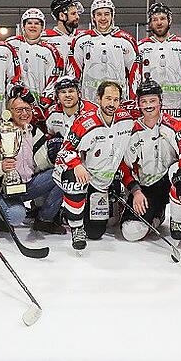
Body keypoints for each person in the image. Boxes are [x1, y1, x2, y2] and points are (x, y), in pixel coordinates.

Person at [118, 80, 181, 244]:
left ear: (160, 101)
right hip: (147, 187)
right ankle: (157, 214)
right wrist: (135, 191)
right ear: (138, 104)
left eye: (153, 100)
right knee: (131, 232)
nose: (149, 105)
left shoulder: (174, 124)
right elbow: (124, 166)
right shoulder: (130, 131)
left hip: (171, 182)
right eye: (144, 101)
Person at [54, 81, 135, 250]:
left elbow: (149, 110)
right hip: (84, 177)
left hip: (104, 182)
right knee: (73, 178)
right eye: (107, 99)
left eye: (116, 99)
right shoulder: (85, 122)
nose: (111, 104)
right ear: (98, 99)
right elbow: (64, 151)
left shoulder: (127, 119)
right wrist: (76, 164)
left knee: (96, 232)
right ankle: (76, 228)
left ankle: (72, 212)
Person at [0, 85, 64, 234]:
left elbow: (39, 164)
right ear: (9, 112)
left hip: (28, 186)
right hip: (5, 190)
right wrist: (1, 166)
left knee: (62, 173)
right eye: (19, 109)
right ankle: (3, 213)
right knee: (16, 216)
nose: (24, 114)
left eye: (27, 109)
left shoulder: (34, 132)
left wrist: (54, 155)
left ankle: (44, 220)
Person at [129, 3, 181, 117]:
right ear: (150, 23)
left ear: (169, 20)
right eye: (155, 19)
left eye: (162, 18)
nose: (159, 22)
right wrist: (134, 105)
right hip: (149, 111)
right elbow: (134, 79)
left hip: (178, 110)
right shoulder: (140, 48)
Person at [70, 0, 138, 101]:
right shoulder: (81, 40)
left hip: (116, 102)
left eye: (107, 14)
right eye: (99, 14)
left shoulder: (126, 40)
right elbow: (73, 74)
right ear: (93, 17)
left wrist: (133, 102)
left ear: (112, 16)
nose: (103, 18)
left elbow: (134, 75)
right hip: (89, 102)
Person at [6, 8, 65, 104]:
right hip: (14, 102)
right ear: (23, 26)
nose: (33, 26)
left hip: (40, 105)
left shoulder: (51, 50)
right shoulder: (11, 44)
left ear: (42, 27)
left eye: (37, 23)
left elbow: (54, 78)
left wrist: (45, 101)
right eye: (29, 23)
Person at [43, 0, 83, 74]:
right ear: (61, 16)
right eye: (73, 14)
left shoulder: (82, 37)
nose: (77, 17)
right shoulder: (45, 38)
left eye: (77, 13)